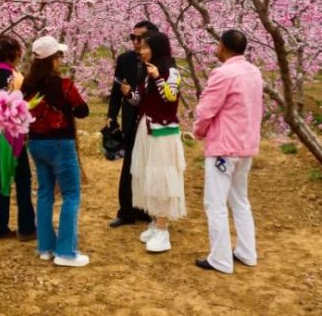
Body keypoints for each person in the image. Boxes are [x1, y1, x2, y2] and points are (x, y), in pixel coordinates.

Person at [192, 29, 264, 274]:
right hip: (246, 146)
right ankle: (247, 252)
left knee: (215, 203)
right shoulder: (254, 72)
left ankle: (220, 259)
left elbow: (206, 109)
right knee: (240, 200)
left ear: (222, 46)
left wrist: (198, 132)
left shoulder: (223, 73)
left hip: (224, 147)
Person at [23, 35, 90, 267]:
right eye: (59, 56)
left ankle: (45, 247)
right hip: (61, 144)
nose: (61, 60)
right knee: (71, 195)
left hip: (36, 143)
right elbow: (83, 110)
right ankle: (65, 252)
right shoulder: (64, 85)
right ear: (52, 60)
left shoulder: (27, 86)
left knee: (44, 193)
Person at [122, 31, 185, 253]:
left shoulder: (172, 72)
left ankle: (162, 229)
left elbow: (169, 97)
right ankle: (154, 223)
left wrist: (159, 77)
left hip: (162, 134)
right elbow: (141, 101)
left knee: (161, 178)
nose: (141, 49)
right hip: (146, 130)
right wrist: (129, 94)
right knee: (148, 176)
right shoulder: (148, 73)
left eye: (146, 46)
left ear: (156, 49)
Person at [0, 35, 36, 241]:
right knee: (22, 178)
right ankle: (27, 227)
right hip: (12, 136)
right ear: (13, 54)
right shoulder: (15, 78)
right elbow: (22, 107)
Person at [108, 20, 159, 228]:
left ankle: (147, 211)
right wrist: (111, 115)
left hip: (152, 123)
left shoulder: (160, 62)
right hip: (130, 119)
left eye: (140, 38)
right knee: (129, 166)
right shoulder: (125, 60)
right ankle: (126, 211)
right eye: (133, 37)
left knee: (150, 168)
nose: (136, 42)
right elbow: (116, 90)